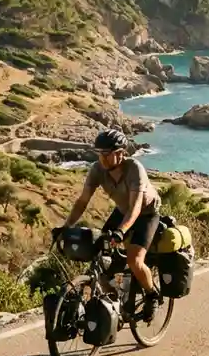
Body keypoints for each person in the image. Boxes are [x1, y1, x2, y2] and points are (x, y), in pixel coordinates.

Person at [55, 128, 163, 320]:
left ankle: (152, 295)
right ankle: (115, 301)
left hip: (146, 214)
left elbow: (136, 207)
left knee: (134, 260)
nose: (101, 158)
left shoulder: (134, 169)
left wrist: (121, 231)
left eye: (106, 154)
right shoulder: (97, 169)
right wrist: (66, 226)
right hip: (122, 211)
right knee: (100, 253)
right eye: (99, 154)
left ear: (120, 153)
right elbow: (82, 201)